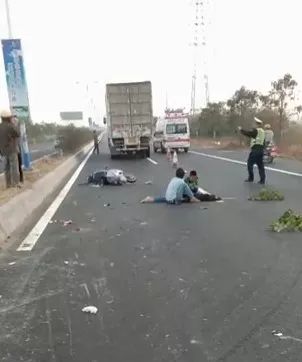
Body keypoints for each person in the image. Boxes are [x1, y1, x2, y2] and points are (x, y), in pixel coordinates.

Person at [238, 117, 266, 184]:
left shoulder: (256, 130)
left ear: (257, 124)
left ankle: (251, 178)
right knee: (260, 166)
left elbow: (249, 134)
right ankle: (262, 180)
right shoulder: (262, 131)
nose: (253, 125)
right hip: (261, 150)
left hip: (255, 150)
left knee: (249, 164)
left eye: (254, 124)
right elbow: (263, 141)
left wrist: (241, 130)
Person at [0, 110, 21, 188]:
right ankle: (15, 183)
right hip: (11, 149)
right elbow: (18, 133)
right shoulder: (10, 126)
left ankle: (8, 184)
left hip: (3, 151)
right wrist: (14, 124)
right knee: (14, 166)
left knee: (6, 168)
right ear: (8, 117)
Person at [12, 116, 24, 183]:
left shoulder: (18, 129)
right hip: (11, 149)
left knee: (19, 164)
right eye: (13, 120)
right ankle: (16, 180)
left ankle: (21, 178)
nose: (14, 122)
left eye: (16, 121)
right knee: (13, 165)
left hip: (17, 149)